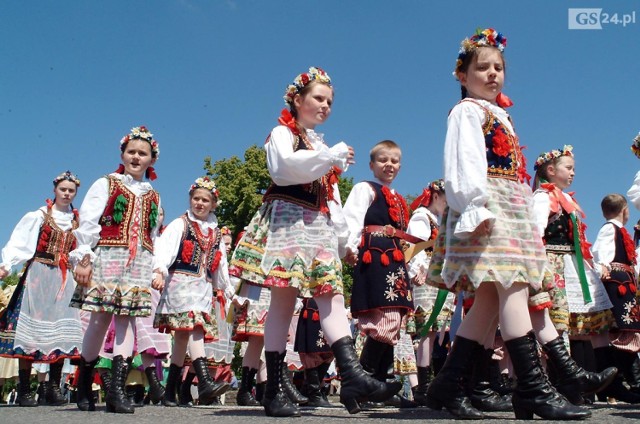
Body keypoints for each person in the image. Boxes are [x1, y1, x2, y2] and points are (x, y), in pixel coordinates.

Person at [425, 29, 590, 420]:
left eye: (498, 67)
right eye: (482, 67)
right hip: (488, 207)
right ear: (462, 75)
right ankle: (531, 389)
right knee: (513, 288)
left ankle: (447, 384)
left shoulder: (500, 115)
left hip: (509, 206)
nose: (493, 73)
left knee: (486, 302)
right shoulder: (467, 111)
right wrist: (474, 208)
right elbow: (463, 164)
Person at [229, 67, 400, 417]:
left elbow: (331, 197)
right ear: (298, 99)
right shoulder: (282, 133)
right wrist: (329, 157)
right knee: (282, 304)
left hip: (318, 226)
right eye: (318, 98)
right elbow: (283, 169)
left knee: (332, 297)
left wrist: (342, 240)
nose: (325, 106)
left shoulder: (322, 146)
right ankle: (273, 389)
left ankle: (352, 374)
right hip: (288, 221)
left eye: (330, 102)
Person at [70, 126, 161, 414]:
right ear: (122, 154)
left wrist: (157, 268)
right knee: (99, 320)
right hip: (108, 255)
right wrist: (84, 258)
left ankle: (117, 390)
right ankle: (84, 381)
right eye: (131, 151)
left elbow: (154, 235)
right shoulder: (107, 183)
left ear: (151, 160)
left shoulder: (154, 196)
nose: (136, 157)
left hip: (139, 263)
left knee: (128, 320)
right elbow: (88, 222)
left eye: (142, 153)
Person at [530, 146, 617, 405]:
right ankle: (560, 384)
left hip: (569, 263)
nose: (573, 173)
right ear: (550, 170)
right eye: (568, 168)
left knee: (577, 323)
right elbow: (536, 231)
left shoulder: (565, 199)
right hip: (553, 263)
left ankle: (579, 385)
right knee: (557, 324)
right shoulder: (543, 197)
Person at [0, 171, 83, 407]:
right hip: (39, 275)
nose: (66, 194)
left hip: (64, 280)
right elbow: (20, 241)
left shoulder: (77, 221)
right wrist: (7, 264)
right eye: (63, 189)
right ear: (55, 190)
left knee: (60, 332)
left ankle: (53, 388)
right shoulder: (39, 215)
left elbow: (80, 252)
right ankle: (24, 389)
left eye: (71, 191)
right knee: (30, 332)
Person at [343, 139, 415, 407]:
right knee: (385, 317)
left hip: (394, 260)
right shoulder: (365, 188)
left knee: (394, 318)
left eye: (394, 161)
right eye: (383, 160)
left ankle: (380, 386)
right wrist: (349, 247)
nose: (389, 165)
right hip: (376, 257)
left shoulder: (397, 197)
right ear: (372, 164)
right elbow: (352, 217)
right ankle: (364, 384)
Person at [152, 176, 230, 407]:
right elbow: (165, 249)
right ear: (190, 199)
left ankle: (169, 393)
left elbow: (221, 265)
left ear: (213, 204)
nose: (200, 203)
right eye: (196, 198)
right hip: (180, 285)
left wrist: (228, 290)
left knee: (183, 337)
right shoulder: (180, 224)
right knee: (195, 327)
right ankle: (205, 381)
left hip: (203, 288)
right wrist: (159, 271)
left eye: (205, 200)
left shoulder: (215, 232)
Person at [404, 179, 455, 405]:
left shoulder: (442, 221)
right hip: (427, 275)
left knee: (441, 330)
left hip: (442, 276)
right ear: (436, 196)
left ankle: (435, 383)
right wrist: (417, 269)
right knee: (427, 330)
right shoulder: (421, 216)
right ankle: (422, 387)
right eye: (446, 199)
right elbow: (413, 247)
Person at [592, 194, 640, 403]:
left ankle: (617, 382)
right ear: (625, 209)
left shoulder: (619, 230)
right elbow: (600, 252)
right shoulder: (609, 228)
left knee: (628, 331)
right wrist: (603, 265)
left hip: (625, 283)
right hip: (617, 285)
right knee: (626, 331)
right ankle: (615, 382)